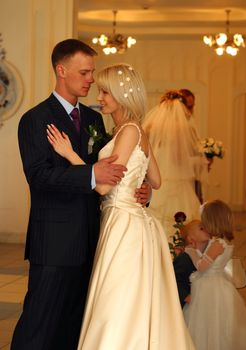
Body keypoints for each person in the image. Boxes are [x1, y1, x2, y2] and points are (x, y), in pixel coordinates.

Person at [11, 39, 152, 350]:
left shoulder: (93, 120)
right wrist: (90, 174)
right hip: (55, 242)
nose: (91, 80)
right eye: (85, 73)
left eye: (92, 73)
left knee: (77, 325)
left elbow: (115, 166)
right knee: (39, 323)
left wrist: (139, 190)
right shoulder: (35, 119)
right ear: (62, 71)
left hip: (96, 238)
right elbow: (38, 175)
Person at [47, 63, 195, 349]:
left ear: (122, 93)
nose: (99, 97)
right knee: (128, 296)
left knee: (116, 298)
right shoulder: (135, 131)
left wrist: (69, 154)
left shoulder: (128, 131)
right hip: (129, 220)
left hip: (123, 223)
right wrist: (143, 188)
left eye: (105, 91)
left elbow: (103, 186)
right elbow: (157, 180)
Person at [183, 199, 246, 350]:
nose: (203, 226)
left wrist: (191, 251)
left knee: (209, 322)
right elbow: (209, 263)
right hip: (217, 282)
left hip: (209, 286)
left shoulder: (217, 244)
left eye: (204, 222)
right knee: (217, 322)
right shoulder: (222, 241)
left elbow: (201, 267)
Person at [143, 90, 208, 237]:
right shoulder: (181, 127)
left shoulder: (150, 125)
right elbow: (179, 159)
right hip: (177, 181)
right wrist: (200, 161)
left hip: (154, 180)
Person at [173, 219, 210, 307]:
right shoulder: (184, 258)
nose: (206, 230)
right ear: (190, 239)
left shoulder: (209, 255)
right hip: (190, 302)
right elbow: (175, 280)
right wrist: (186, 297)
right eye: (201, 228)